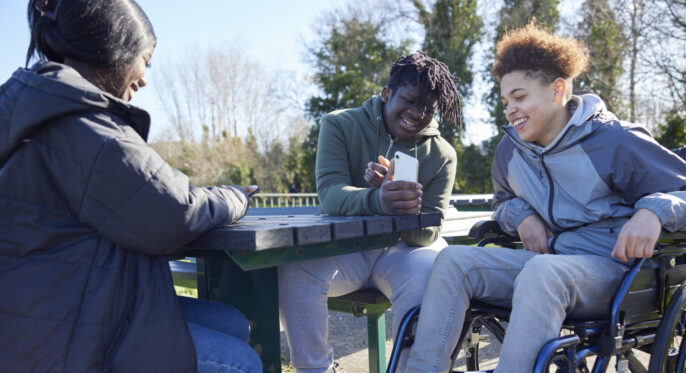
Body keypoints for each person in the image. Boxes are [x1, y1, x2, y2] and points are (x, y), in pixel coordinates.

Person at [404, 22, 686, 373]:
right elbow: (503, 201)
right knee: (453, 261)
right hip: (550, 261)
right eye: (505, 101)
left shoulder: (615, 141)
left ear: (558, 90)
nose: (509, 110)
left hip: (615, 268)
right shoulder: (509, 151)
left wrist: (654, 212)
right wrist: (521, 215)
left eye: (520, 97)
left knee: (542, 271)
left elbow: (681, 189)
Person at [0, 1, 261, 372]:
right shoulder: (85, 128)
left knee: (231, 322)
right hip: (65, 334)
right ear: (111, 51)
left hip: (43, 309)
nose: (144, 78)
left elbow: (145, 198)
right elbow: (175, 211)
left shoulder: (34, 108)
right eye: (145, 60)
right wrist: (234, 197)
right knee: (241, 363)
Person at [278, 51, 461, 373]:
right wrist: (376, 200)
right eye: (410, 100)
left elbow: (429, 233)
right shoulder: (339, 124)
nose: (417, 114)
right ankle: (316, 369)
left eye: (428, 109)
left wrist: (406, 211)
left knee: (432, 272)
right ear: (386, 93)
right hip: (350, 250)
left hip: (406, 250)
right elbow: (330, 195)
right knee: (295, 269)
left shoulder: (442, 154)